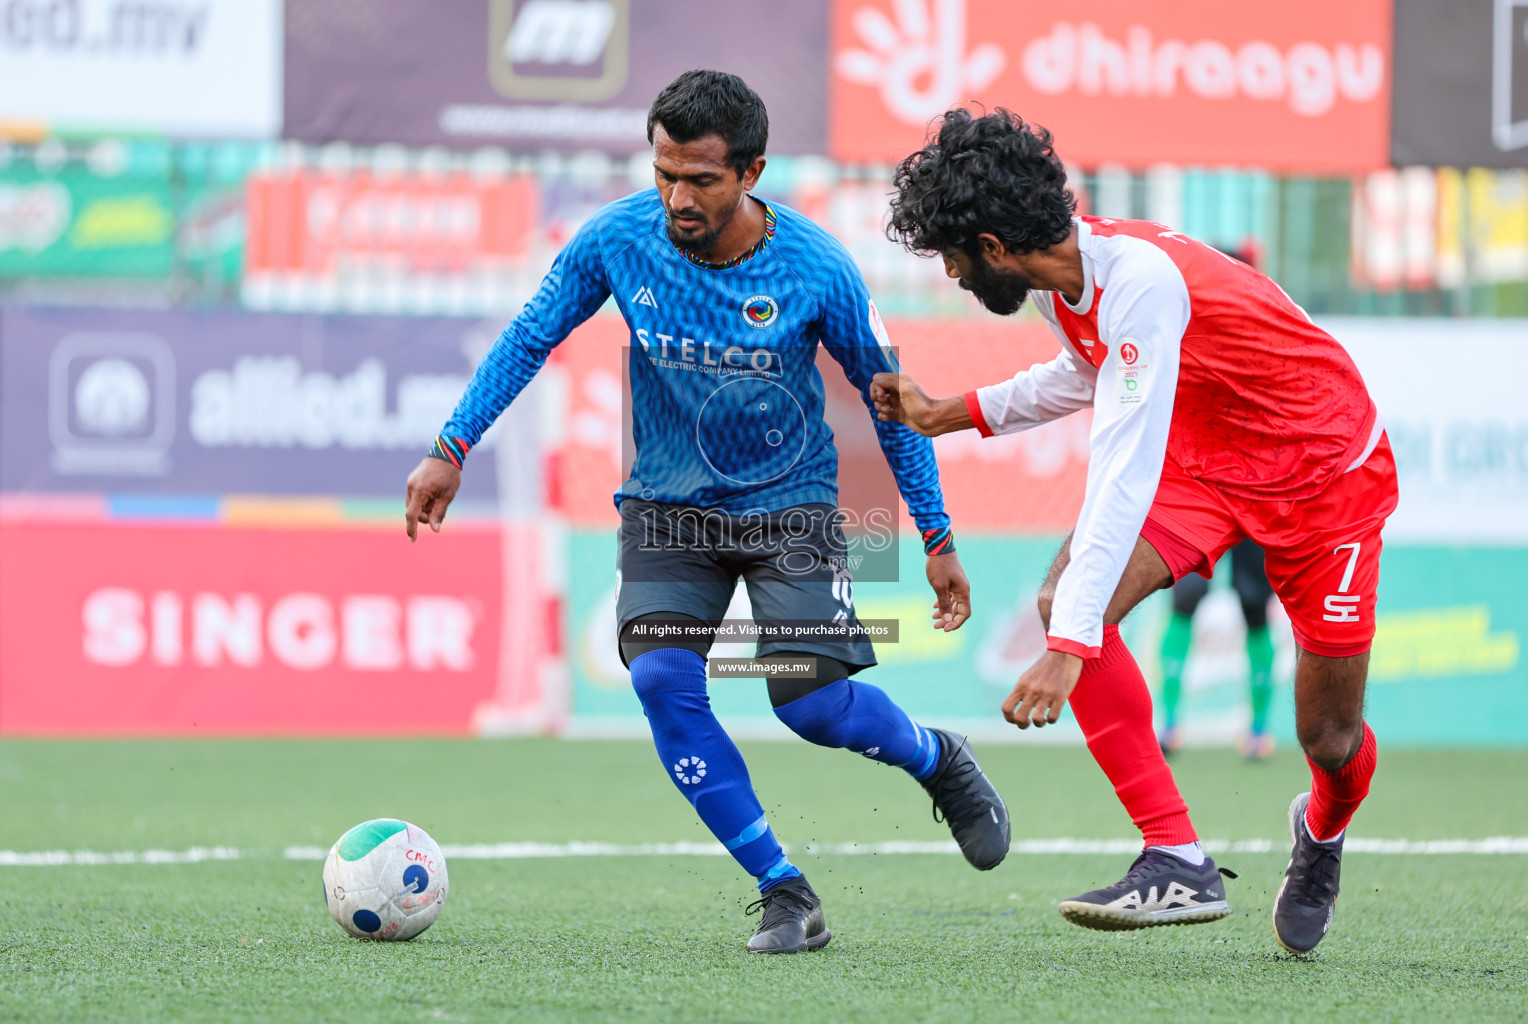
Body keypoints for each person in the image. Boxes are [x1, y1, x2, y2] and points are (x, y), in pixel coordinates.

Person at [404, 72, 1010, 956]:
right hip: (666, 508)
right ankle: (782, 890)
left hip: (788, 506)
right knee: (661, 682)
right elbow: (530, 336)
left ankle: (934, 755)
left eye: (701, 180)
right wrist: (451, 446)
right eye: (664, 174)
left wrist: (937, 535)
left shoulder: (816, 268)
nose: (678, 198)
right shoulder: (618, 240)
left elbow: (892, 403)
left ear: (752, 172)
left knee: (808, 704)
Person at [869, 108, 1396, 954]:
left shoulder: (1140, 278)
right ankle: (1176, 855)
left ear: (996, 246)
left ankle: (1323, 832)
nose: (956, 273)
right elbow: (1082, 373)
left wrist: (1070, 646)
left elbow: (1122, 472)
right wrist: (950, 414)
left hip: (1322, 476)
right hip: (1210, 465)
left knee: (1327, 740)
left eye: (955, 256)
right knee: (1062, 597)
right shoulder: (1062, 281)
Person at [1158, 537, 1278, 760]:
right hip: (1207, 504)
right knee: (1187, 593)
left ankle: (1259, 730)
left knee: (1254, 604)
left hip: (1255, 507)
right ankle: (1169, 723)